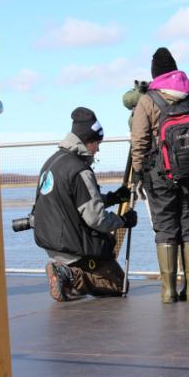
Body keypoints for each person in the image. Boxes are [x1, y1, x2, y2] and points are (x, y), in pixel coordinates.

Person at [131, 47, 189, 303]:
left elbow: (140, 141)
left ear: (155, 74)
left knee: (166, 228)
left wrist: (138, 173)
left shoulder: (147, 101)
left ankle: (168, 292)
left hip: (159, 176)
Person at [33, 107, 137, 302]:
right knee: (119, 284)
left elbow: (75, 202)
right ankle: (70, 275)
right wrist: (123, 220)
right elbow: (96, 218)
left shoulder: (51, 163)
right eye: (97, 142)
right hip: (72, 247)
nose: (98, 148)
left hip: (53, 243)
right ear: (87, 141)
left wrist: (113, 198)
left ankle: (67, 281)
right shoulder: (80, 170)